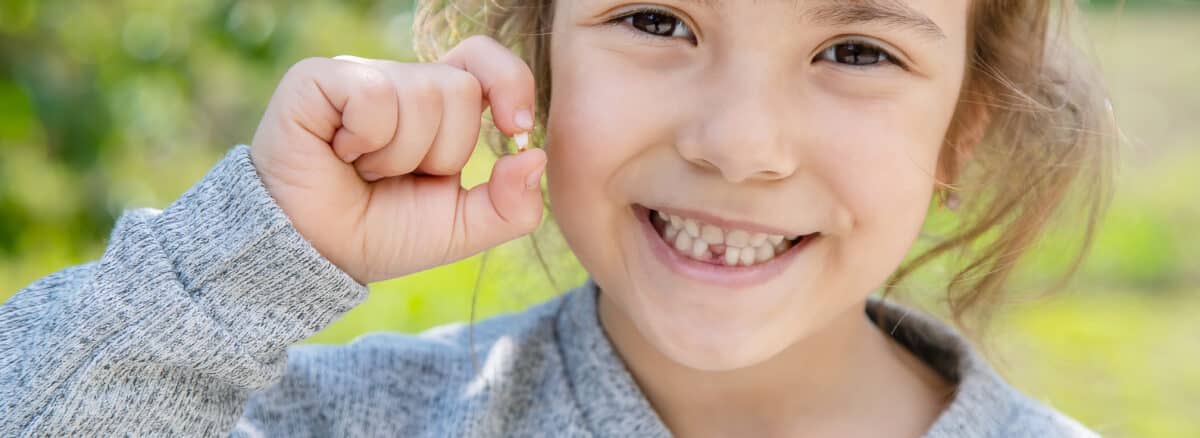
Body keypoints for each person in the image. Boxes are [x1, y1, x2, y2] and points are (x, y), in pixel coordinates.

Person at [1, 0, 1113, 436]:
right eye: (656, 19)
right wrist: (246, 258)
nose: (738, 144)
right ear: (535, 58)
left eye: (857, 52)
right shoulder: (359, 425)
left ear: (961, 132)